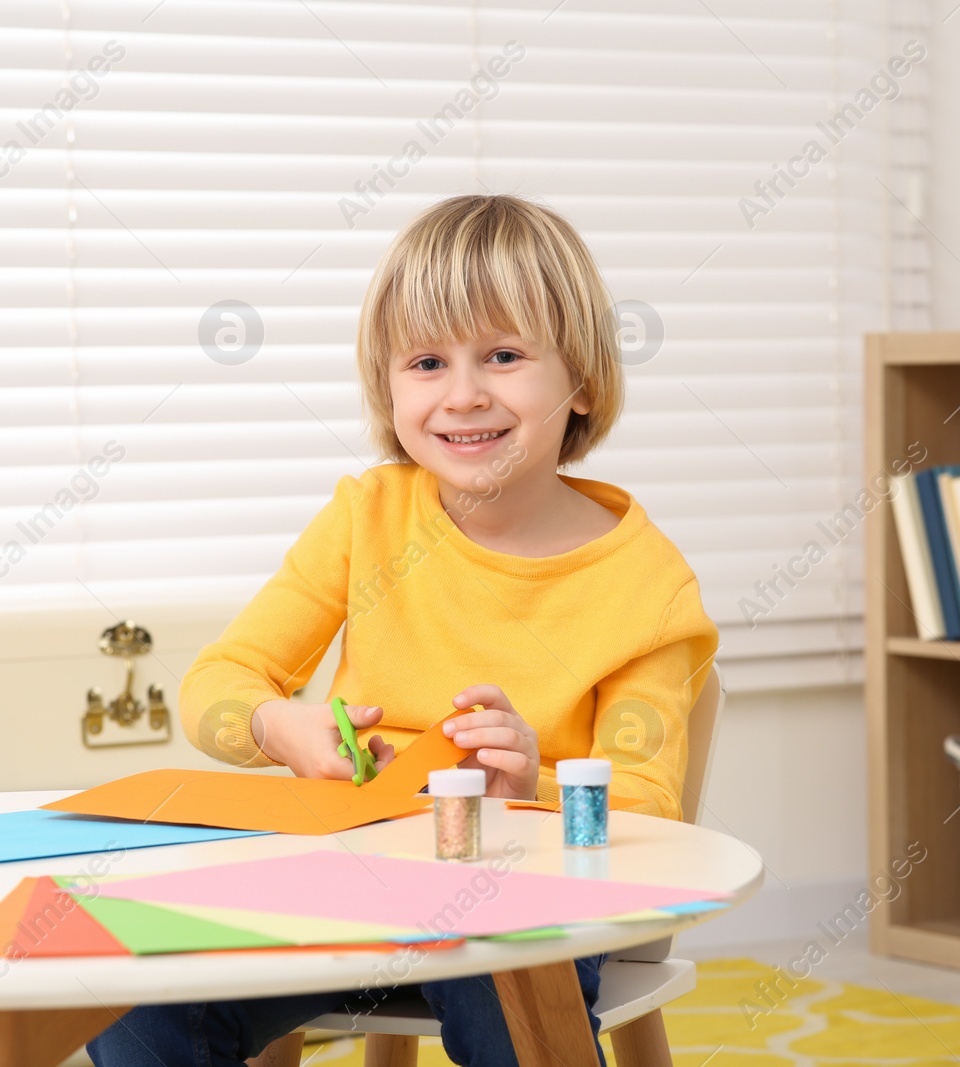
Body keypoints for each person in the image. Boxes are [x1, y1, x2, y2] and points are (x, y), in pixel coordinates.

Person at [88, 193, 719, 1067]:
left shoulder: (646, 583)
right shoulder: (366, 518)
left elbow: (652, 814)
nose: (464, 395)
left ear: (580, 379)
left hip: (520, 904)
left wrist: (536, 789)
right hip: (341, 890)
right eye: (427, 361)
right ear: (387, 384)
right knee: (133, 987)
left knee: (501, 981)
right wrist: (280, 725)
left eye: (503, 355)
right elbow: (218, 681)